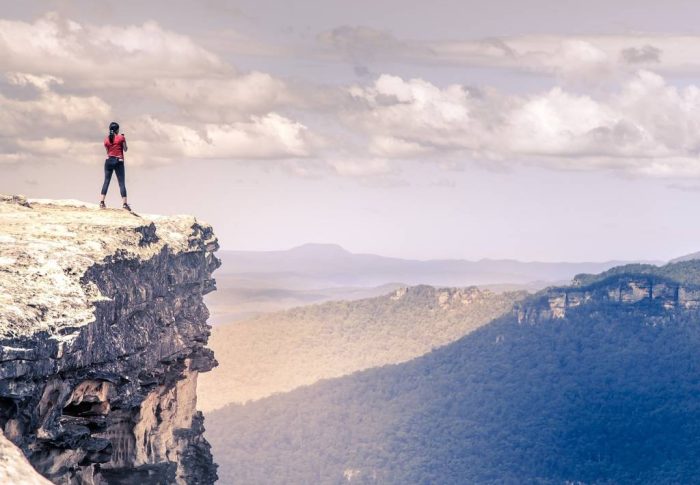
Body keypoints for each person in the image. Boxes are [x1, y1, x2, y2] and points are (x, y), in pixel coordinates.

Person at [99, 121, 131, 211]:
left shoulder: (106, 140)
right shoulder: (121, 138)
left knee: (106, 181)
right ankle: (125, 204)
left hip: (109, 161)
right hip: (119, 161)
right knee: (121, 183)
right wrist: (124, 139)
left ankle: (102, 202)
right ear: (117, 129)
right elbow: (125, 149)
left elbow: (107, 152)